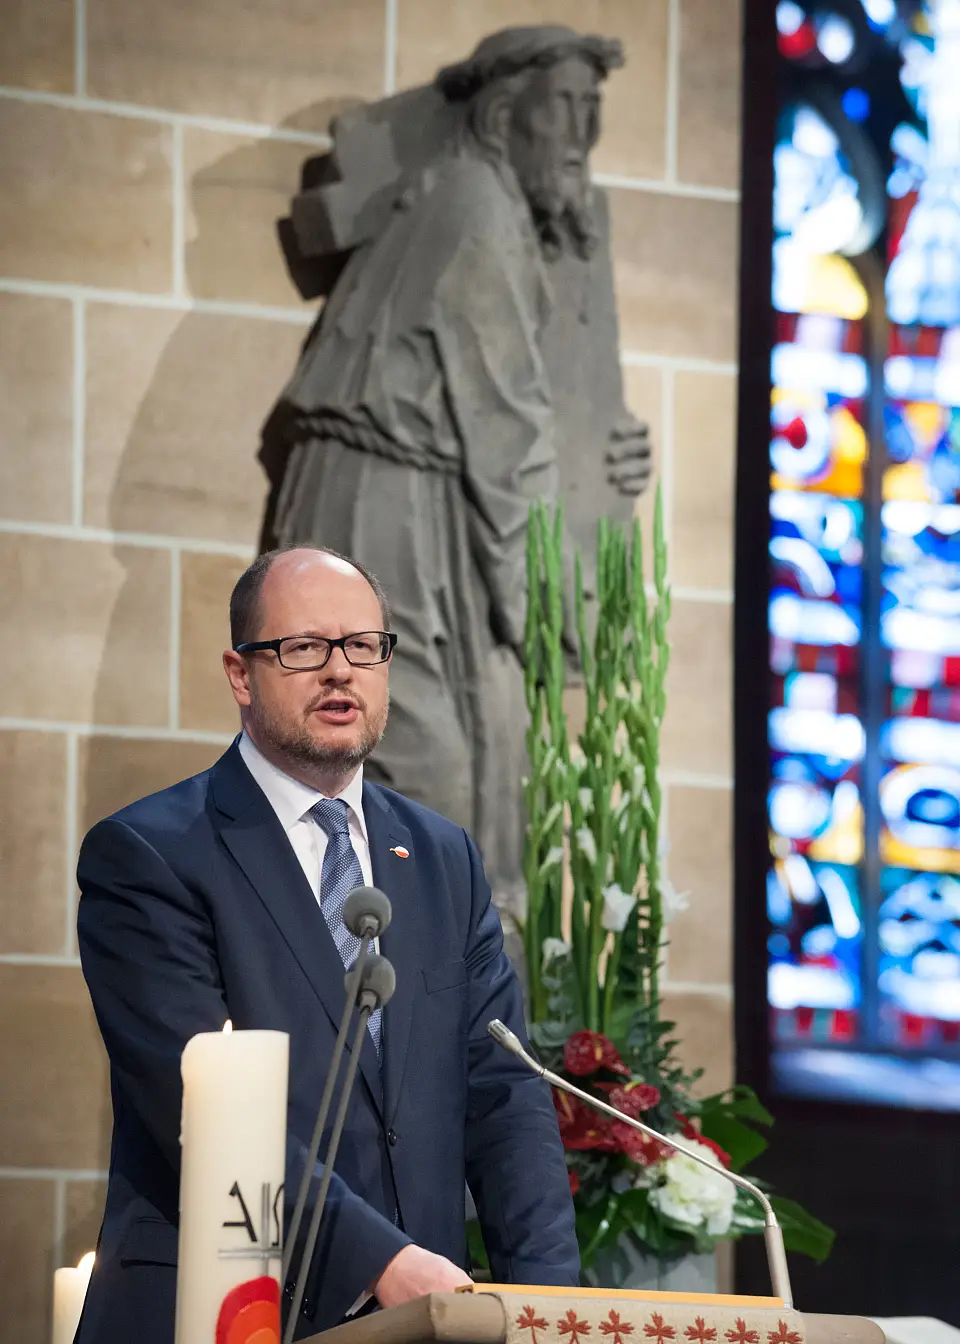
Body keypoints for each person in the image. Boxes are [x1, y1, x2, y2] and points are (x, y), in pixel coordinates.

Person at [75, 545, 579, 1344]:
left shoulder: (442, 857)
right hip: (220, 1310)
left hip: (423, 1320)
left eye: (364, 648)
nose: (340, 671)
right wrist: (382, 1260)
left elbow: (506, 1099)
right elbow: (199, 1108)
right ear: (242, 674)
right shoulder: (151, 855)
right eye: (305, 648)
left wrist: (556, 1312)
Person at [261, 27, 649, 908]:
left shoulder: (488, 205)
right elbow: (506, 427)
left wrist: (609, 457)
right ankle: (396, 1016)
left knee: (476, 787)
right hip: (384, 512)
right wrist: (549, 622)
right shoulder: (475, 204)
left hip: (436, 509)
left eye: (595, 113)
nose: (583, 137)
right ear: (506, 115)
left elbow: (536, 410)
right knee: (427, 772)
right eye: (565, 110)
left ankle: (457, 1017)